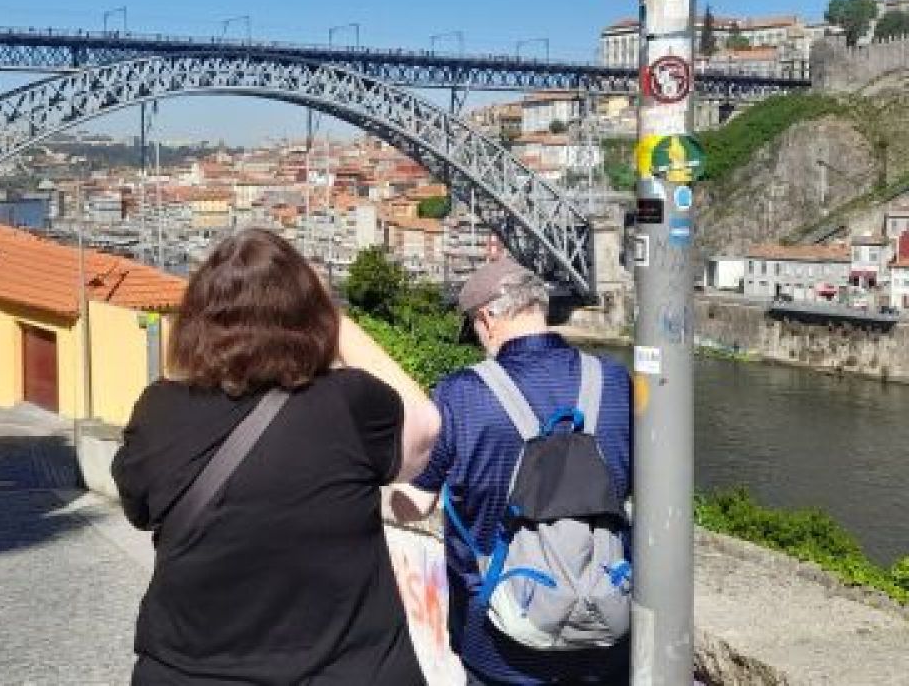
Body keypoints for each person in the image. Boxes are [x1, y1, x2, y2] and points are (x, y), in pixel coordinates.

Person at [112, 228, 441, 686]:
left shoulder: (159, 411)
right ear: (310, 318)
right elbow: (425, 428)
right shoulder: (348, 404)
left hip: (191, 671)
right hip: (350, 671)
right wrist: (334, 317)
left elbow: (139, 510)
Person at [390, 257, 632, 686]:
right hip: (603, 637)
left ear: (487, 318)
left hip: (499, 646)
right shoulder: (613, 382)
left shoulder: (461, 395)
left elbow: (414, 506)